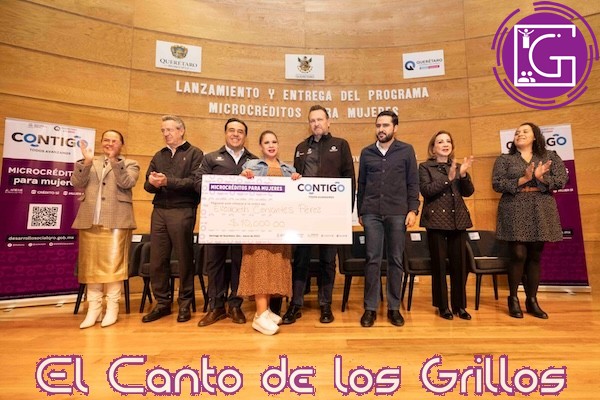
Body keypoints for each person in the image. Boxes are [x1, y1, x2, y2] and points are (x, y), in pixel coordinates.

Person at [282, 105, 355, 325]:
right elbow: (295, 180)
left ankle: (325, 305)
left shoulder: (340, 145)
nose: (316, 124)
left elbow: (349, 179)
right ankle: (295, 304)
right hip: (304, 215)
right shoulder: (301, 148)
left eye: (320, 119)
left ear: (328, 122)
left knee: (327, 260)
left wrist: (346, 213)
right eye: (312, 120)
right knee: (300, 259)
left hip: (331, 215)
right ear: (309, 124)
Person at [492, 122, 567, 319]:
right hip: (514, 207)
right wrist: (523, 179)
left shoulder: (550, 156)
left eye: (525, 131)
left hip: (540, 206)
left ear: (535, 136)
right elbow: (497, 184)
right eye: (517, 132)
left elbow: (561, 180)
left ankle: (532, 300)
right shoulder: (504, 159)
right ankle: (513, 298)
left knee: (535, 254)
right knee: (518, 254)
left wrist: (541, 178)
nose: (520, 134)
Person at [356, 110, 419, 328]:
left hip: (398, 212)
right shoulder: (367, 153)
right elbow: (361, 184)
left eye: (385, 125)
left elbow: (413, 182)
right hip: (371, 213)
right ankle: (370, 308)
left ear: (395, 128)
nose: (381, 129)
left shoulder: (406, 150)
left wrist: (413, 209)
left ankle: (394, 308)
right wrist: (361, 212)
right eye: (378, 125)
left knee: (395, 260)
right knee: (372, 259)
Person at [71, 129, 140, 329]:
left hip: (117, 221)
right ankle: (93, 309)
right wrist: (86, 162)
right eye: (106, 140)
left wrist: (115, 161)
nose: (109, 144)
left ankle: (112, 308)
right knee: (90, 267)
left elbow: (127, 182)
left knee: (113, 266)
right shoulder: (89, 162)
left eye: (114, 141)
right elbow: (77, 182)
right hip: (90, 221)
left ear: (121, 144)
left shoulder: (129, 164)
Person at [194, 118, 258, 327]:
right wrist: (230, 182)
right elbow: (197, 183)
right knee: (215, 262)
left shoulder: (254, 161)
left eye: (240, 131)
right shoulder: (211, 158)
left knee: (240, 262)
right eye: (232, 130)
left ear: (245, 136)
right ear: (225, 133)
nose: (235, 134)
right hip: (216, 220)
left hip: (244, 222)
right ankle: (216, 306)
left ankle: (235, 304)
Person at [141, 115, 204, 323]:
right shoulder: (159, 155)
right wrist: (152, 183)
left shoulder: (195, 153)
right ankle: (162, 303)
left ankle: (185, 302)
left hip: (183, 209)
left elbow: (194, 182)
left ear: (181, 130)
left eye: (169, 130)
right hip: (159, 210)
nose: (166, 134)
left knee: (184, 258)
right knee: (158, 259)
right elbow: (147, 186)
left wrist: (168, 181)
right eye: (163, 130)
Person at [238, 130, 301, 335]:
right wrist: (243, 178)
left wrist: (297, 182)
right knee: (260, 266)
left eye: (274, 141)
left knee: (275, 266)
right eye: (267, 142)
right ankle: (260, 315)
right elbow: (240, 191)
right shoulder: (251, 166)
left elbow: (295, 198)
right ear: (260, 146)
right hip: (258, 227)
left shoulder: (289, 169)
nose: (271, 145)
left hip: (280, 228)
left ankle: (264, 312)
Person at [419, 131, 475, 320]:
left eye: (448, 141)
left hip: (458, 220)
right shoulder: (425, 167)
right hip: (436, 221)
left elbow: (468, 192)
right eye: (440, 142)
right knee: (439, 266)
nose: (445, 144)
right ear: (433, 148)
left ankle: (460, 306)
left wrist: (463, 175)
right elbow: (426, 190)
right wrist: (448, 178)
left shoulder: (458, 166)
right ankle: (443, 306)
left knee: (460, 265)